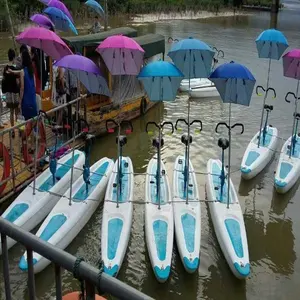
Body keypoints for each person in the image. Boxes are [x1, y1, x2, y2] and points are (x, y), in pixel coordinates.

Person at [8, 50, 37, 121]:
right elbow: (35, 86)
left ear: (23, 59)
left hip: (26, 102)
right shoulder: (32, 71)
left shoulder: (22, 71)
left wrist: (20, 103)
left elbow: (22, 88)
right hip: (33, 101)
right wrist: (12, 71)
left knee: (26, 125)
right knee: (33, 123)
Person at [1, 49, 20, 131]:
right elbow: (18, 82)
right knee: (17, 112)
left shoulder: (5, 68)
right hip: (15, 92)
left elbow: (4, 79)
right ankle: (19, 128)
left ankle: (12, 130)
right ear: (14, 57)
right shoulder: (15, 68)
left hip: (8, 93)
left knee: (11, 112)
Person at [30, 47, 42, 112]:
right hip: (39, 90)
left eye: (30, 54)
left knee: (35, 111)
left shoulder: (32, 65)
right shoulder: (38, 64)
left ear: (33, 54)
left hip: (34, 91)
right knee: (39, 110)